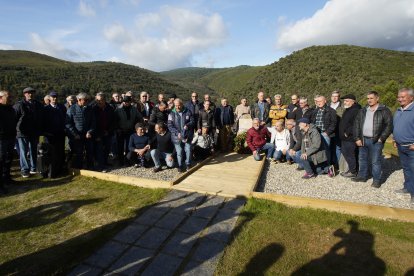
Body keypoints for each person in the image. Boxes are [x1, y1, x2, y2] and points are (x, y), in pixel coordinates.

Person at [353, 91, 393, 187]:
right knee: (362, 159)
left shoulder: (384, 110)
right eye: (368, 98)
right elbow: (356, 125)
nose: (369, 100)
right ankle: (362, 176)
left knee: (375, 161)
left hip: (376, 140)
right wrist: (357, 138)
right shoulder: (363, 110)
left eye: (371, 98)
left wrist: (382, 138)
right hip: (363, 139)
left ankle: (376, 180)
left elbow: (389, 126)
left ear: (377, 98)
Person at [14, 87, 44, 177]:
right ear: (24, 94)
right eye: (28, 93)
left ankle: (33, 167)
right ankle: (25, 170)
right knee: (23, 151)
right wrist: (16, 130)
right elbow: (14, 118)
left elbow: (41, 118)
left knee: (34, 150)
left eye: (32, 93)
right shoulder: (19, 105)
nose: (30, 94)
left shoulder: (38, 105)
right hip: (22, 132)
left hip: (34, 132)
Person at [393, 88, 414, 203]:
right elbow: (396, 126)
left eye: (403, 97)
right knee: (406, 169)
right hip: (401, 146)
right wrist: (395, 139)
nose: (400, 99)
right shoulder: (398, 110)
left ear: (411, 97)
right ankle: (408, 187)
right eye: (399, 97)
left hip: (411, 147)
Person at [65, 92, 96, 170]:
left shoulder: (89, 109)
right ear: (79, 100)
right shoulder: (71, 109)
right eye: (85, 100)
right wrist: (75, 134)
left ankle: (90, 167)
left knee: (90, 152)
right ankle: (78, 168)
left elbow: (93, 122)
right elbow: (68, 123)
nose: (87, 101)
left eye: (87, 100)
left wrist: (90, 131)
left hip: (87, 135)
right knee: (78, 153)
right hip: (77, 136)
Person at [43, 91, 67, 177]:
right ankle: (51, 172)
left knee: (60, 152)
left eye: (56, 97)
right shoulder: (45, 109)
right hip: (50, 136)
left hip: (60, 134)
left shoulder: (62, 107)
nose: (54, 98)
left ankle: (59, 170)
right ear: (49, 98)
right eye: (53, 97)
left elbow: (65, 119)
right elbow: (43, 122)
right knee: (51, 154)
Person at [168, 98, 195, 172]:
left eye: (179, 105)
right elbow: (170, 126)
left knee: (188, 150)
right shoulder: (171, 114)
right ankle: (180, 165)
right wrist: (177, 133)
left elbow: (192, 121)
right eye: (176, 105)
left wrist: (188, 125)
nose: (177, 107)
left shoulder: (188, 111)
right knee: (179, 152)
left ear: (182, 104)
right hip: (177, 136)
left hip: (187, 135)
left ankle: (188, 164)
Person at [115, 96, 143, 166]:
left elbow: (140, 117)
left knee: (128, 147)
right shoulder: (118, 109)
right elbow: (114, 120)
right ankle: (120, 161)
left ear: (130, 102)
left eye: (127, 102)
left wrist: (137, 127)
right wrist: (117, 129)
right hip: (121, 130)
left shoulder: (134, 109)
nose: (125, 103)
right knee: (120, 147)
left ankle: (127, 161)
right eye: (124, 102)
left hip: (130, 130)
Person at [338, 94, 361, 178]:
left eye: (347, 101)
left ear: (353, 101)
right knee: (346, 153)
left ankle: (353, 172)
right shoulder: (348, 109)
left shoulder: (356, 110)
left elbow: (356, 123)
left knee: (350, 154)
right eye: (344, 101)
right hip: (345, 138)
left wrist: (347, 132)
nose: (345, 102)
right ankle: (352, 169)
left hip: (350, 138)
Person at [310, 95, 337, 166]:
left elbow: (334, 123)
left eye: (320, 101)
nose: (319, 103)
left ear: (325, 101)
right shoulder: (315, 111)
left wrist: (327, 132)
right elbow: (312, 121)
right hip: (316, 133)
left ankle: (328, 166)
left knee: (326, 150)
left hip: (325, 134)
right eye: (317, 101)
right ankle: (319, 166)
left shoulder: (331, 111)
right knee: (317, 149)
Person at [93, 92, 116, 172]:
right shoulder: (94, 109)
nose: (99, 101)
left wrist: (108, 131)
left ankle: (105, 162)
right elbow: (93, 123)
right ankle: (101, 166)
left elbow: (113, 121)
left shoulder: (110, 108)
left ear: (104, 100)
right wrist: (97, 134)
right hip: (98, 133)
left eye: (101, 100)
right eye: (98, 100)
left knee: (107, 148)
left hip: (108, 132)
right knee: (99, 149)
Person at [0, 90, 16, 192]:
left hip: (10, 137)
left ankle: (7, 178)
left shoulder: (10, 109)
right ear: (1, 98)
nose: (10, 99)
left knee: (8, 159)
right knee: (0, 160)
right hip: (1, 138)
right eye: (8, 97)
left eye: (10, 97)